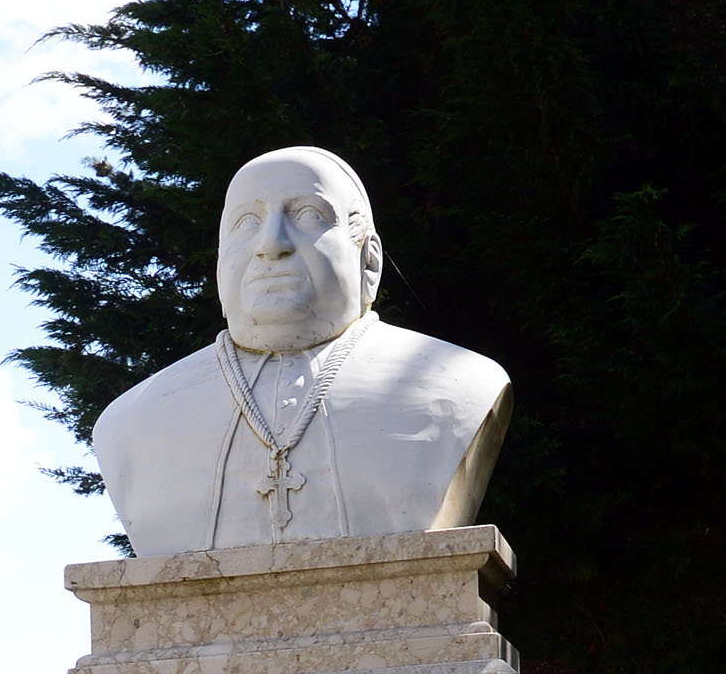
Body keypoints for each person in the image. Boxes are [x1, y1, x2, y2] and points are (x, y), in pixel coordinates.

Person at [92, 145, 512, 557]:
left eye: (309, 215)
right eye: (246, 222)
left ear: (369, 261)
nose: (271, 244)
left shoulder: (463, 386)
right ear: (220, 265)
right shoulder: (128, 423)